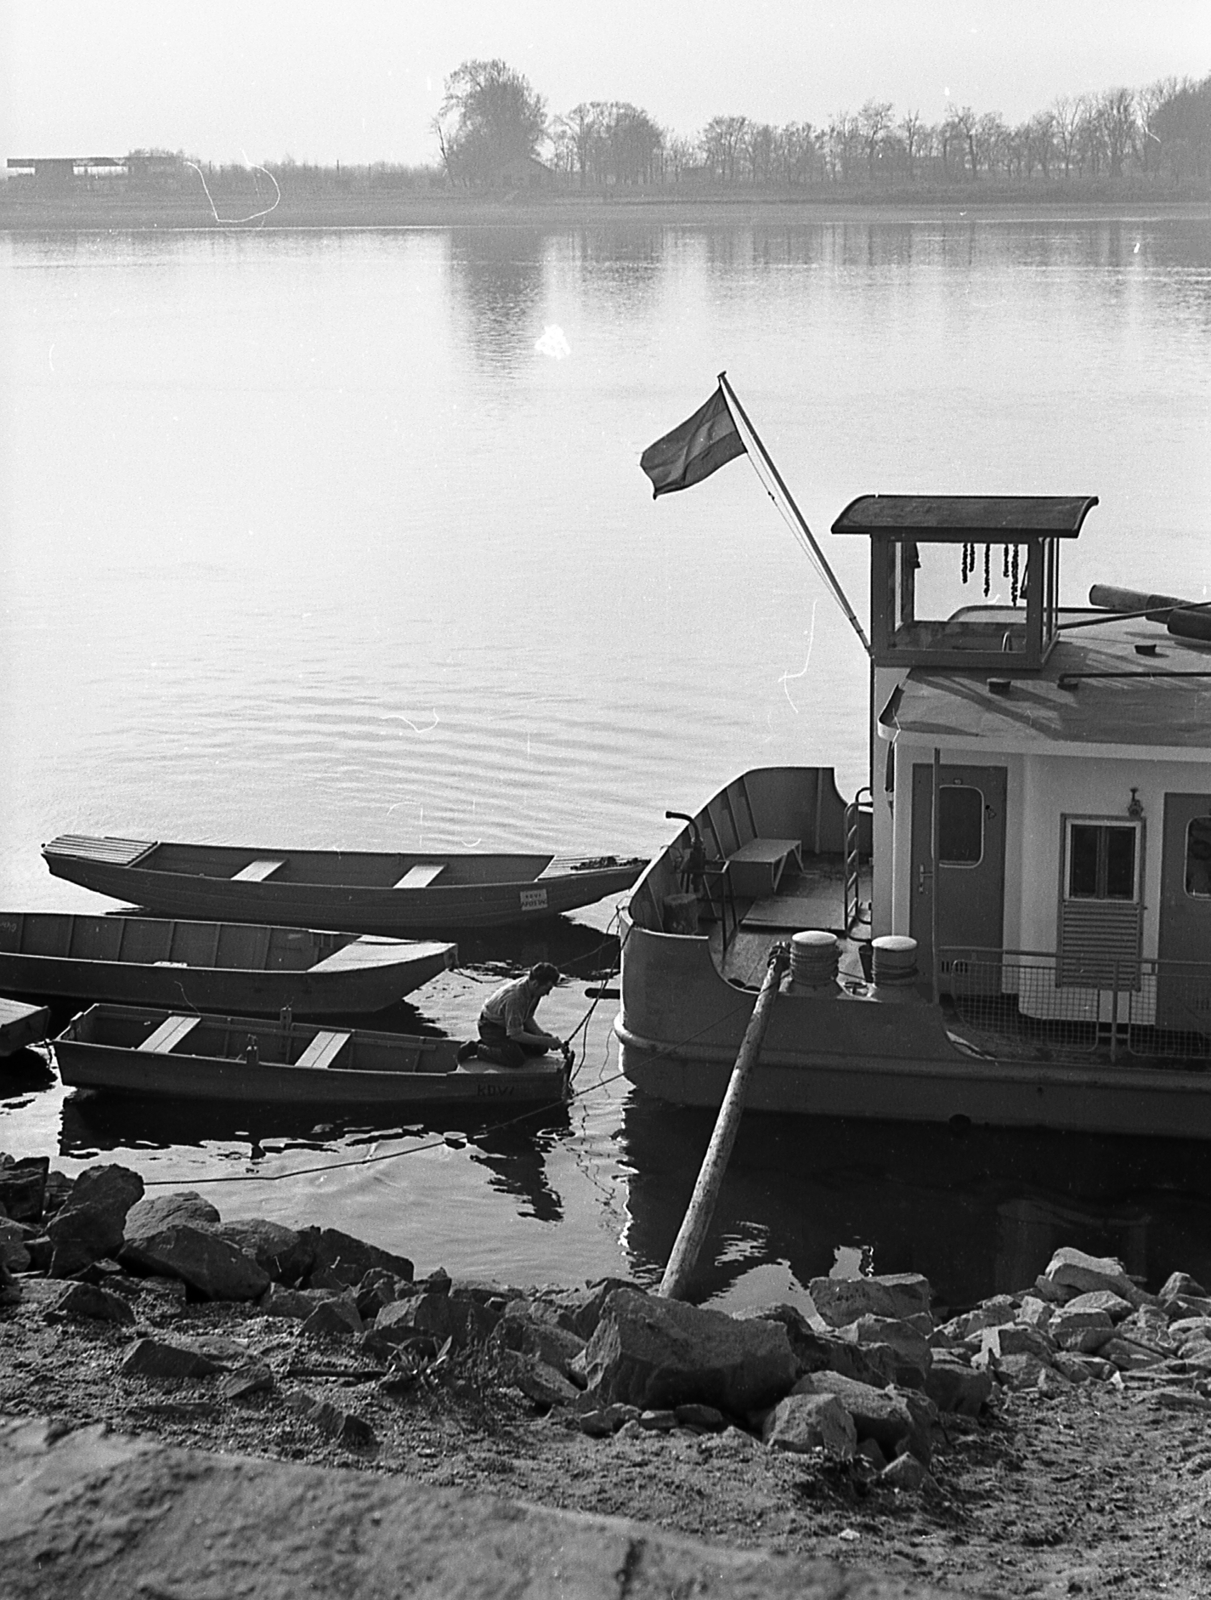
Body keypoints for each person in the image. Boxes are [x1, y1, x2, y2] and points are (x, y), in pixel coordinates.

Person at [460, 962, 563, 1068]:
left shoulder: (534, 991)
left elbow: (527, 1017)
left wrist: (542, 1035)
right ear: (536, 984)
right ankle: (477, 1048)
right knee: (516, 1059)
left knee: (541, 1047)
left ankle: (505, 1047)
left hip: (506, 1024)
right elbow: (515, 1034)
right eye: (547, 989)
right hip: (490, 1026)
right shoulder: (517, 998)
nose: (547, 993)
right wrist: (545, 1040)